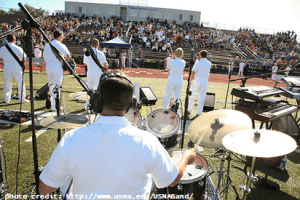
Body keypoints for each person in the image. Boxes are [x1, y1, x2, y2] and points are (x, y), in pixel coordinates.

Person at [39, 70, 197, 198]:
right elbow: (172, 180)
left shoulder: (71, 139)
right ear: (131, 105)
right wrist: (186, 158)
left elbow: (45, 189)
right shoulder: (148, 141)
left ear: (97, 101)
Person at [43, 29, 71, 111]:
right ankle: (55, 106)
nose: (62, 38)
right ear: (59, 37)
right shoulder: (61, 45)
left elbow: (44, 57)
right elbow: (68, 55)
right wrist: (64, 63)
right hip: (57, 66)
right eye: (62, 36)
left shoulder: (47, 45)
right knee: (57, 86)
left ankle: (52, 103)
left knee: (51, 85)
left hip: (48, 66)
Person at [0, 34, 28, 103]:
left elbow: (1, 57)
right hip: (16, 66)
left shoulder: (2, 48)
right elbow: (24, 58)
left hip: (7, 66)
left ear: (7, 40)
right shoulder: (18, 48)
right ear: (14, 40)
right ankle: (22, 99)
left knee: (7, 83)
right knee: (20, 83)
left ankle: (7, 98)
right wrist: (22, 64)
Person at [187, 50, 212, 117]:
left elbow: (193, 72)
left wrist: (190, 80)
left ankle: (189, 109)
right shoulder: (209, 63)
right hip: (205, 81)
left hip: (197, 81)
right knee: (202, 97)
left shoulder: (198, 63)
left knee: (192, 95)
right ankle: (199, 112)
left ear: (200, 55)